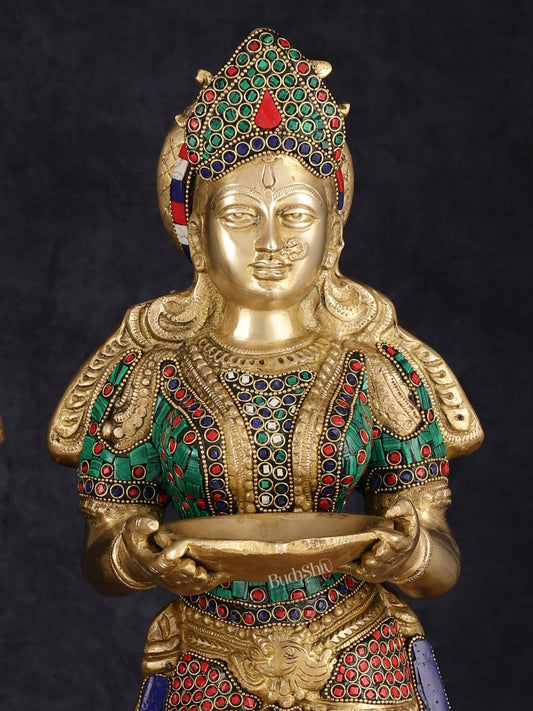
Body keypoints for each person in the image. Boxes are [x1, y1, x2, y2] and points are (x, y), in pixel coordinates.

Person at [48, 28, 483, 711]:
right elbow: (103, 550)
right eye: (241, 216)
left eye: (297, 215)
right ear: (196, 233)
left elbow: (438, 554)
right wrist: (137, 553)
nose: (272, 243)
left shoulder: (377, 368)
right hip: (210, 655)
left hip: (359, 656)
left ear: (332, 233)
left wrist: (410, 554)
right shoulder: (149, 375)